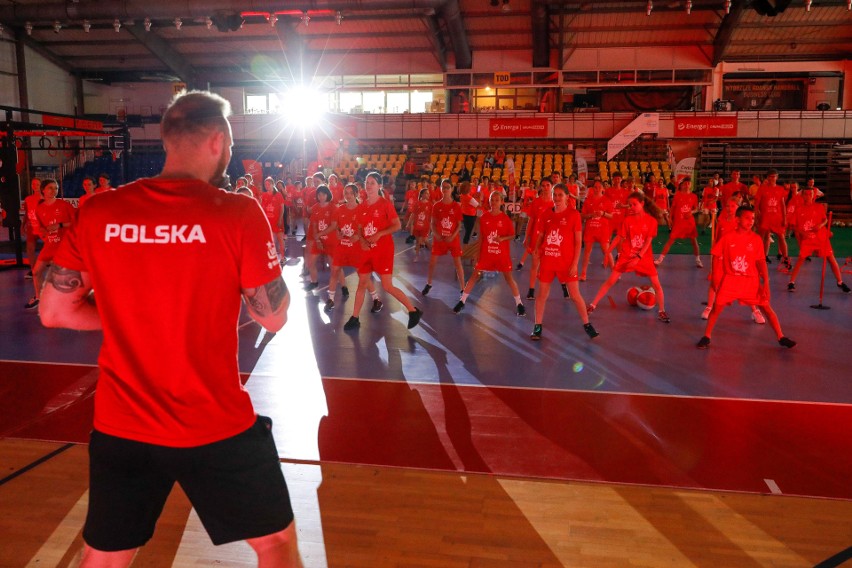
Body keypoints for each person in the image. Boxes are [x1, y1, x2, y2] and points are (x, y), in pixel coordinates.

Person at [38, 91, 302, 567]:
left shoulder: (100, 211)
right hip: (214, 422)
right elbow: (272, 317)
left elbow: (54, 311)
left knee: (105, 557)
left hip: (123, 423)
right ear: (218, 142)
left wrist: (126, 315)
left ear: (167, 139)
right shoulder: (237, 213)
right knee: (275, 543)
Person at [697, 206, 795, 350]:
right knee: (716, 308)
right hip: (730, 280)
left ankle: (781, 336)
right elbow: (716, 256)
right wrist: (715, 278)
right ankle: (707, 336)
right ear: (737, 220)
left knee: (766, 308)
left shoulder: (756, 240)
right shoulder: (727, 238)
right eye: (747, 218)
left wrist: (766, 283)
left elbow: (761, 262)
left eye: (753, 218)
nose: (751, 221)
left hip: (751, 281)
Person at [343, 171, 422, 331]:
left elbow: (397, 225)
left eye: (372, 182)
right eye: (367, 182)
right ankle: (355, 317)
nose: (369, 185)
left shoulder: (385, 204)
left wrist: (379, 234)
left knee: (387, 286)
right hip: (366, 251)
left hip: (383, 251)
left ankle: (413, 311)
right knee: (362, 283)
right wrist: (360, 240)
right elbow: (359, 228)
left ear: (380, 186)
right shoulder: (362, 206)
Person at [587, 192, 671, 324]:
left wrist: (638, 257)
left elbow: (648, 242)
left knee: (656, 284)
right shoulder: (628, 220)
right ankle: (592, 306)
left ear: (642, 204)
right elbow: (619, 237)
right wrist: (607, 253)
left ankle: (661, 311)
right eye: (630, 205)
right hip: (627, 255)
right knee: (610, 281)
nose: (631, 207)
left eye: (634, 204)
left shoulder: (651, 221)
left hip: (644, 257)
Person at [529, 184, 598, 341]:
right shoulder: (546, 214)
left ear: (567, 197)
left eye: (560, 195)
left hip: (566, 263)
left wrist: (575, 264)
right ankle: (537, 326)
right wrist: (537, 248)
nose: (557, 198)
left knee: (575, 295)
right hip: (548, 261)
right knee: (542, 295)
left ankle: (587, 324)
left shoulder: (574, 215)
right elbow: (541, 235)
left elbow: (578, 242)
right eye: (555, 195)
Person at [453, 191, 525, 316]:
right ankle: (462, 301)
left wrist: (502, 239)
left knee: (509, 279)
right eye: (492, 200)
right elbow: (481, 238)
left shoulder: (505, 219)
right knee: (474, 276)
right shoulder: (484, 217)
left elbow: (512, 235)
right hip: (486, 254)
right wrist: (477, 253)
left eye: (497, 200)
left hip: (501, 255)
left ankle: (519, 304)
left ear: (502, 202)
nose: (494, 202)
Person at [700, 197, 767, 324]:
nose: (729, 209)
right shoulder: (721, 221)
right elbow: (717, 239)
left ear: (737, 209)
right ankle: (709, 307)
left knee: (746, 286)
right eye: (727, 206)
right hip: (722, 258)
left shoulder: (741, 223)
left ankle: (755, 310)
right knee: (715, 281)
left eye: (732, 206)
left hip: (737, 260)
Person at [786, 187, 851, 294]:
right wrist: (802, 233)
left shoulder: (819, 207)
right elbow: (793, 226)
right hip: (807, 238)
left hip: (820, 237)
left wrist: (820, 226)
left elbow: (825, 220)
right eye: (805, 194)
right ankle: (791, 282)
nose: (808, 196)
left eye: (810, 194)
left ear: (813, 195)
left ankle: (840, 282)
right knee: (801, 259)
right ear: (802, 196)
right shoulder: (798, 209)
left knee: (831, 258)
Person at [25, 179, 75, 309]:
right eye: (50, 188)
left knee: (64, 275)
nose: (54, 191)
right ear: (43, 190)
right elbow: (41, 228)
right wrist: (43, 231)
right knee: (36, 272)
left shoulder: (64, 205)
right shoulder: (39, 208)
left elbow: (77, 222)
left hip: (64, 245)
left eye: (56, 188)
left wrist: (60, 225)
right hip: (50, 245)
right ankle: (39, 298)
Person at [422, 179, 465, 296]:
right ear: (440, 189)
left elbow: (459, 225)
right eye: (443, 187)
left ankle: (463, 287)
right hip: (439, 239)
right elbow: (432, 223)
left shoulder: (456, 206)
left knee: (458, 264)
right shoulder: (436, 205)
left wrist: (452, 236)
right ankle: (429, 283)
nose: (445, 189)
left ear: (451, 189)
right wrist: (436, 234)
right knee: (432, 263)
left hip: (452, 239)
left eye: (447, 187)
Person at [655, 177, 702, 268]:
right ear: (682, 185)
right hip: (678, 222)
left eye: (689, 183)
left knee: (694, 241)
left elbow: (696, 209)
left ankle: (698, 259)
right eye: (685, 183)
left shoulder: (694, 196)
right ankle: (660, 259)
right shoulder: (677, 195)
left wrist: (691, 212)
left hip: (689, 223)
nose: (687, 185)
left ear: (691, 185)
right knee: (671, 240)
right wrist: (669, 218)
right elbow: (672, 208)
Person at [754, 169, 790, 268]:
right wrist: (756, 215)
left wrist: (785, 218)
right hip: (765, 217)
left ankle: (786, 258)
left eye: (774, 176)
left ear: (777, 177)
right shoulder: (762, 188)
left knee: (781, 237)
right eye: (770, 176)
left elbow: (782, 204)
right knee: (763, 237)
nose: (772, 178)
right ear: (767, 177)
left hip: (777, 217)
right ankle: (762, 257)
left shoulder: (780, 189)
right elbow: (757, 203)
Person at [22, 177, 44, 280]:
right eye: (33, 184)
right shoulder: (28, 199)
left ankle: (55, 269)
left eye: (37, 184)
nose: (35, 186)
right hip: (31, 226)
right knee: (30, 249)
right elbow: (26, 213)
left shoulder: (44, 198)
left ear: (41, 186)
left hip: (43, 227)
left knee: (51, 248)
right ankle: (34, 269)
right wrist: (23, 225)